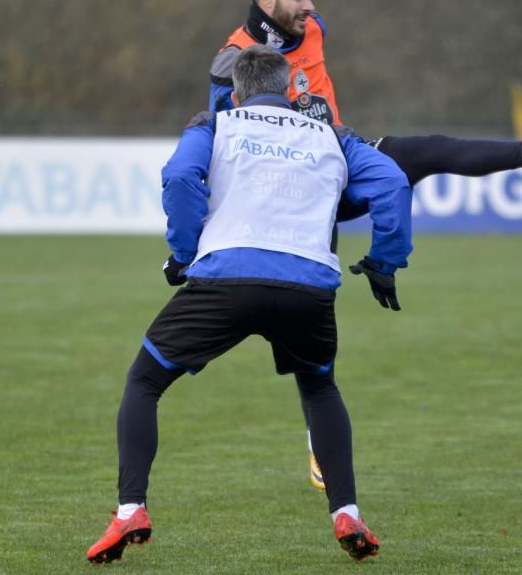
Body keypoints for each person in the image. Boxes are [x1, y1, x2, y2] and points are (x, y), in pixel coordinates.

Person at [210, 0, 522, 486]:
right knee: (310, 318)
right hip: (294, 190)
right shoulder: (232, 62)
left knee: (424, 153)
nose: (310, 7)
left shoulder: (311, 29)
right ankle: (319, 443)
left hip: (338, 157)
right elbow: (216, 141)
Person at [86, 45, 413, 564]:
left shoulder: (215, 125)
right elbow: (393, 182)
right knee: (319, 386)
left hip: (227, 280)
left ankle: (131, 510)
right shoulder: (332, 135)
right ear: (289, 89)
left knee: (145, 382)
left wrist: (183, 254)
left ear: (234, 91)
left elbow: (178, 179)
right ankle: (345, 511)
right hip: (308, 286)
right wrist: (385, 259)